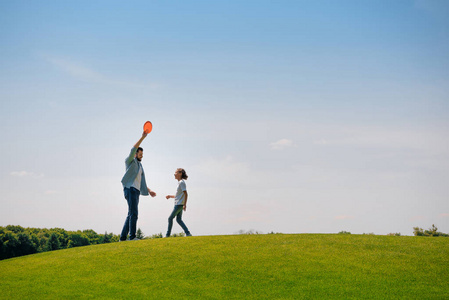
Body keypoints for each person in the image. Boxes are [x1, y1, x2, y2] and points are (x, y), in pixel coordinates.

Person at [120, 131, 156, 241]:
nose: (141, 156)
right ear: (135, 154)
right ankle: (132, 237)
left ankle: (122, 238)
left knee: (131, 213)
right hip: (130, 189)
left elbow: (142, 181)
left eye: (142, 155)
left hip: (136, 191)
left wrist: (149, 190)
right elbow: (132, 150)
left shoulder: (140, 166)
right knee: (134, 213)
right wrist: (142, 137)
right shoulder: (130, 161)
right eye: (139, 154)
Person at [165, 168, 192, 237]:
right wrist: (170, 196)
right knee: (179, 219)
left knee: (170, 218)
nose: (174, 174)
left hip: (179, 205)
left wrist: (185, 205)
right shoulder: (180, 183)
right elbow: (178, 195)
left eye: (176, 172)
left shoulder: (181, 183)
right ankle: (188, 233)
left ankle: (167, 235)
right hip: (179, 204)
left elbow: (186, 194)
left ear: (180, 174)